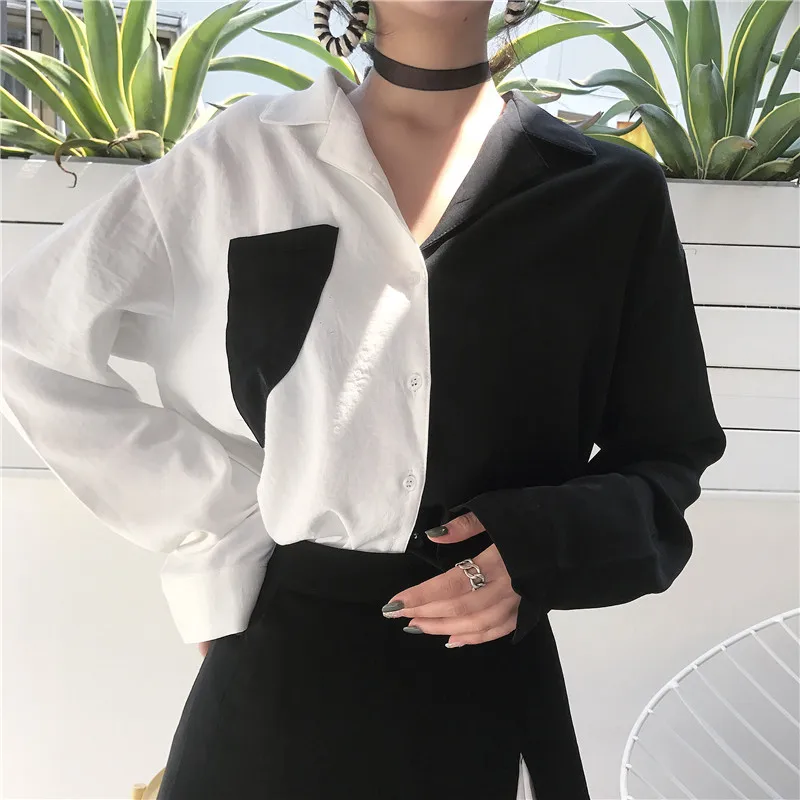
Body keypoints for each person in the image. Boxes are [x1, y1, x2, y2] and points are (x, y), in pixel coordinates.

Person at [0, 0, 727, 798]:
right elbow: (28, 338)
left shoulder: (610, 194)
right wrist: (220, 534)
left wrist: (542, 547)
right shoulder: (240, 159)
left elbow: (667, 453)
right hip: (274, 679)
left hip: (483, 687)